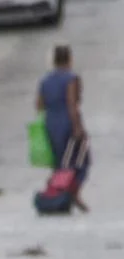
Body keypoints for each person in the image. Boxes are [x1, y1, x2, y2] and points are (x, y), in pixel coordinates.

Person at [37, 44, 90, 212]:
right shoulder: (71, 78)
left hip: (50, 123)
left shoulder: (45, 80)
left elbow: (39, 105)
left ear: (54, 60)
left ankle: (60, 196)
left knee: (60, 163)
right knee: (82, 161)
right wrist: (78, 127)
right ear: (69, 59)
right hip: (67, 123)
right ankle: (69, 194)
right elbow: (72, 104)